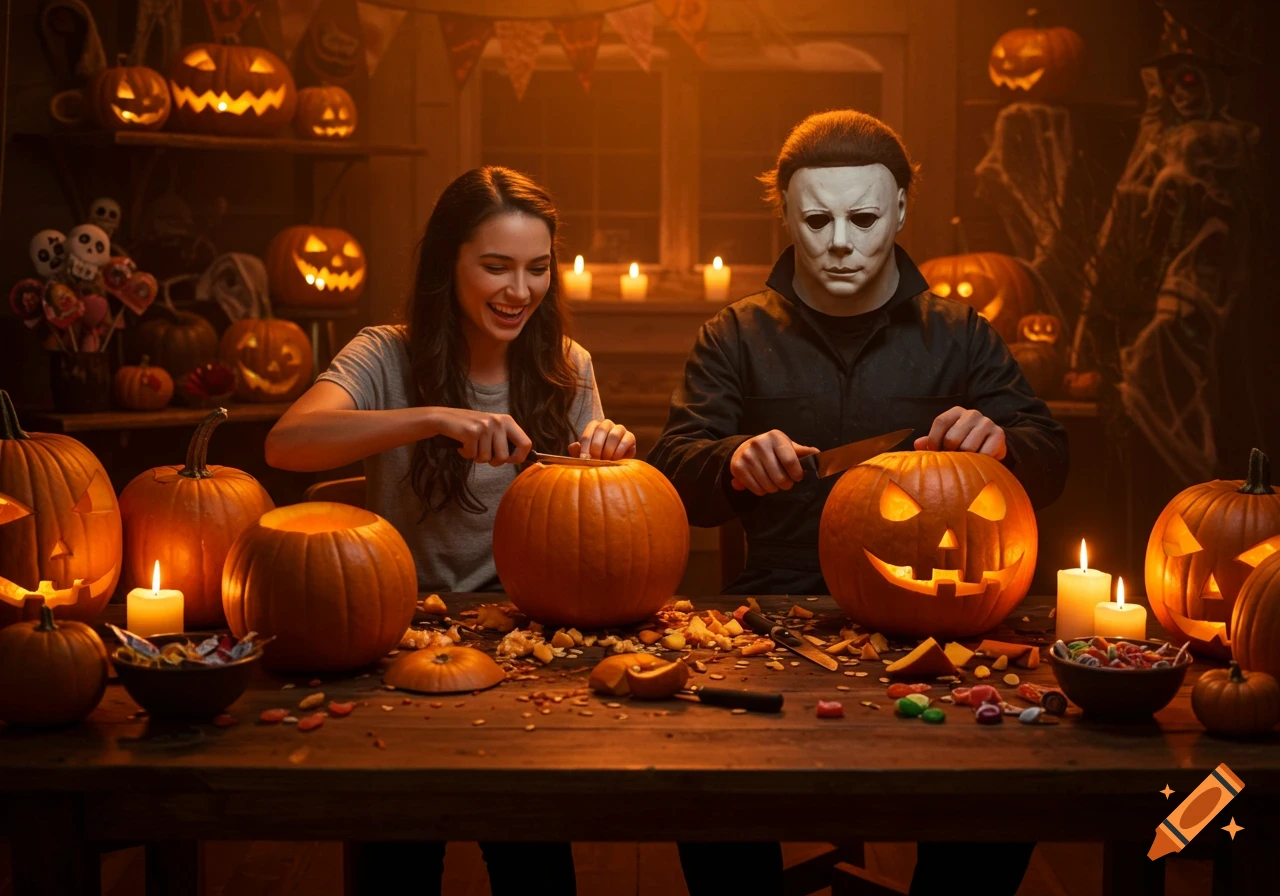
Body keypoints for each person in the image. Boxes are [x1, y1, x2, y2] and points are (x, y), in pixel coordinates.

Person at [648, 111, 1068, 896]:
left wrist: (1004, 443)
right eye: (817, 220)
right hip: (778, 618)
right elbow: (670, 473)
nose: (840, 241)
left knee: (1017, 776)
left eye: (864, 218)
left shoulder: (961, 335)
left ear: (901, 210)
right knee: (696, 771)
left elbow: (1051, 459)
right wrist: (729, 461)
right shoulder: (733, 335)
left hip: (940, 619)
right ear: (786, 215)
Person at [266, 165, 637, 896]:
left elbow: (600, 516)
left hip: (531, 638)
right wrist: (435, 418)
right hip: (399, 634)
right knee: (397, 862)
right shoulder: (384, 353)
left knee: (535, 863)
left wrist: (609, 450)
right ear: (449, 263)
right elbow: (287, 443)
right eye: (496, 267)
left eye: (537, 269)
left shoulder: (568, 366)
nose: (519, 291)